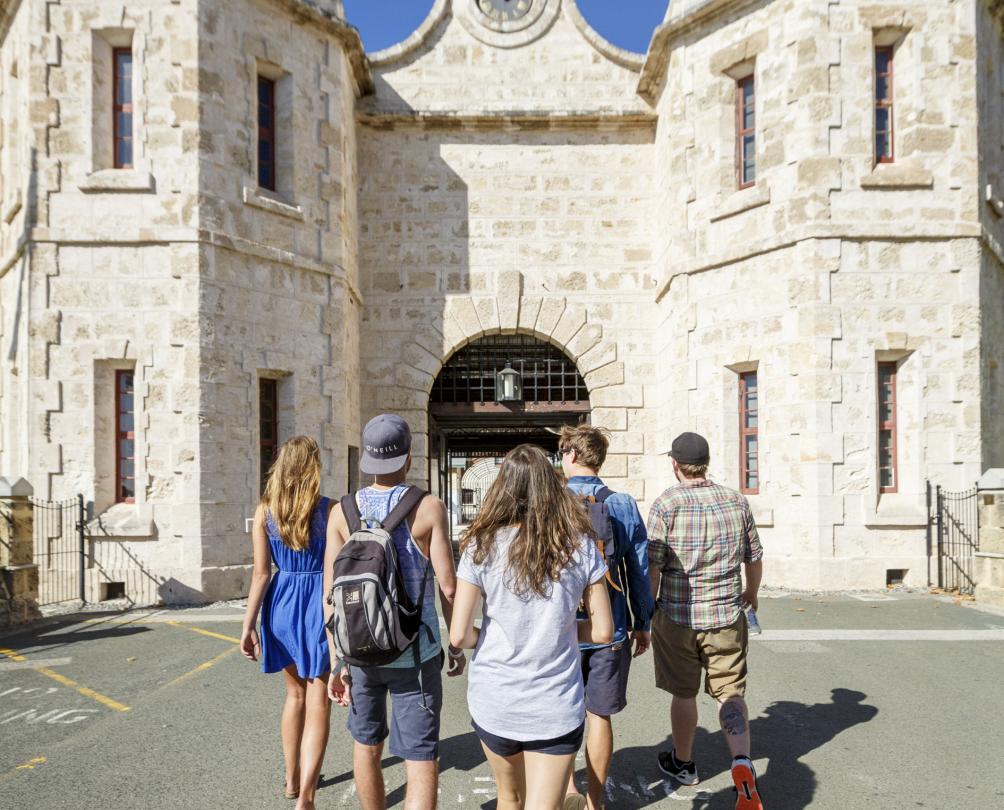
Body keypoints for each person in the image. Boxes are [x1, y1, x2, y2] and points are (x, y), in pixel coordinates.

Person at [450, 444, 615, 810]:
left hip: (496, 697)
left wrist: (491, 637)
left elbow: (459, 635)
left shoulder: (481, 544)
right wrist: (565, 631)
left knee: (509, 799)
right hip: (554, 703)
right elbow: (603, 631)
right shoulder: (580, 544)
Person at [324, 414, 465, 810]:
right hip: (415, 652)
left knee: (366, 745)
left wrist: (337, 662)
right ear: (407, 456)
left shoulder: (341, 512)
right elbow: (448, 585)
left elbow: (330, 595)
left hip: (359, 652)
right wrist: (454, 646)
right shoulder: (427, 508)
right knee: (420, 755)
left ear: (367, 459)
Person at [646, 431, 765, 810]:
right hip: (726, 615)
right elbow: (754, 556)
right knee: (730, 691)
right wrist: (752, 593)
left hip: (678, 616)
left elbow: (654, 565)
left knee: (685, 692)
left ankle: (684, 763)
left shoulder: (667, 503)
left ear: (675, 464)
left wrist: (647, 608)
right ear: (707, 462)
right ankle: (742, 761)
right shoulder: (735, 500)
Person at [558, 425, 655, 810]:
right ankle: (595, 802)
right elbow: (640, 569)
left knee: (559, 713)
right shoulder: (622, 504)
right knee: (599, 714)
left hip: (560, 628)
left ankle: (567, 789)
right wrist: (642, 621)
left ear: (571, 455)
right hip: (609, 628)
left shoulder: (548, 501)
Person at [240, 436, 333, 810]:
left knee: (293, 695)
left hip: (281, 602)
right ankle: (307, 796)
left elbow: (261, 574)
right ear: (314, 469)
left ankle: (292, 779)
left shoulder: (265, 511)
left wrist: (247, 626)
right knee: (318, 701)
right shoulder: (330, 510)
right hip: (317, 601)